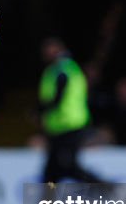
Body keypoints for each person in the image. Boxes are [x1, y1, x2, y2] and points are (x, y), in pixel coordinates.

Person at [38, 36, 107, 184]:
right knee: (52, 170)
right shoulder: (64, 69)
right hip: (60, 127)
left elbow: (57, 99)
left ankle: (104, 187)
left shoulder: (62, 70)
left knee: (66, 166)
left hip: (70, 126)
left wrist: (39, 111)